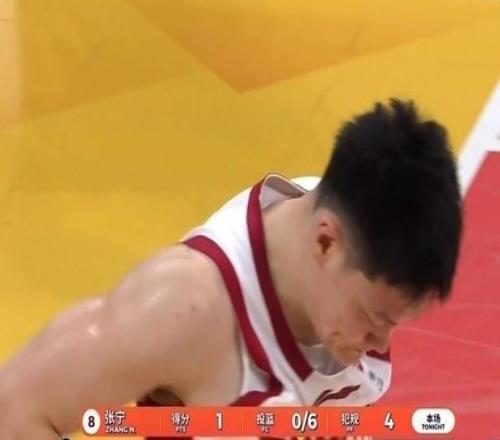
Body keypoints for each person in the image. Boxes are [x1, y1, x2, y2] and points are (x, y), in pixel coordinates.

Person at [0, 99, 462, 440]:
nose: (380, 344)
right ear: (325, 242)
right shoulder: (185, 307)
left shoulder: (352, 230)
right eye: (375, 318)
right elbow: (16, 412)